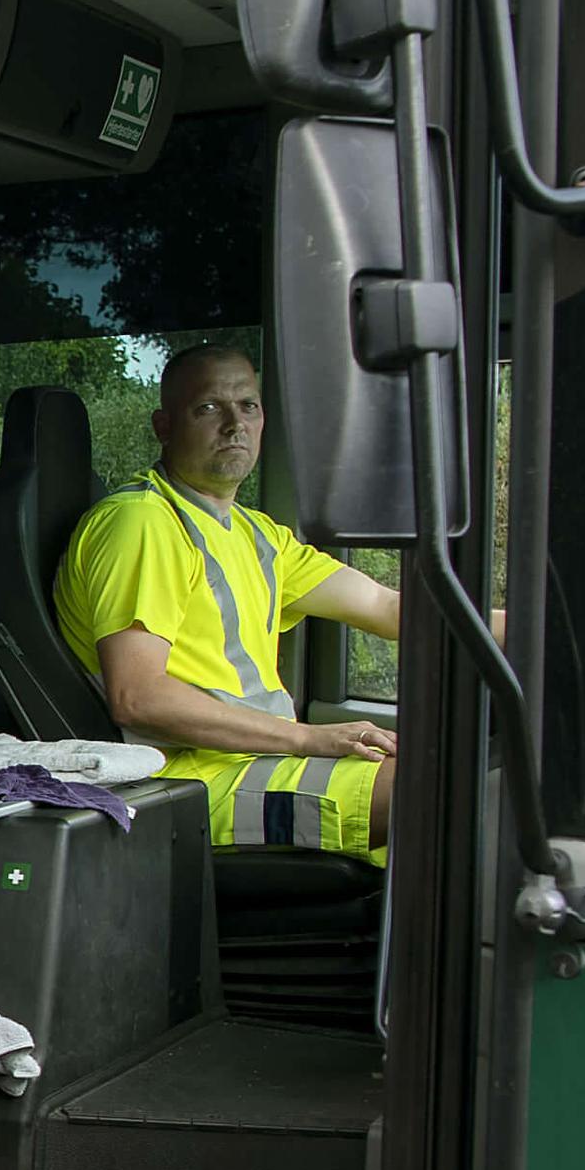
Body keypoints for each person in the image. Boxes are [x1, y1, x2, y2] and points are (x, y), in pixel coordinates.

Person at [54, 343, 403, 860]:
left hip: (259, 762)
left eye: (249, 406)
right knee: (444, 790)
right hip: (192, 786)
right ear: (164, 426)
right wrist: (307, 737)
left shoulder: (257, 534)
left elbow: (392, 610)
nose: (234, 424)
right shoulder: (142, 523)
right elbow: (139, 698)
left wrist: (542, 630)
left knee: (457, 773)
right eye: (209, 407)